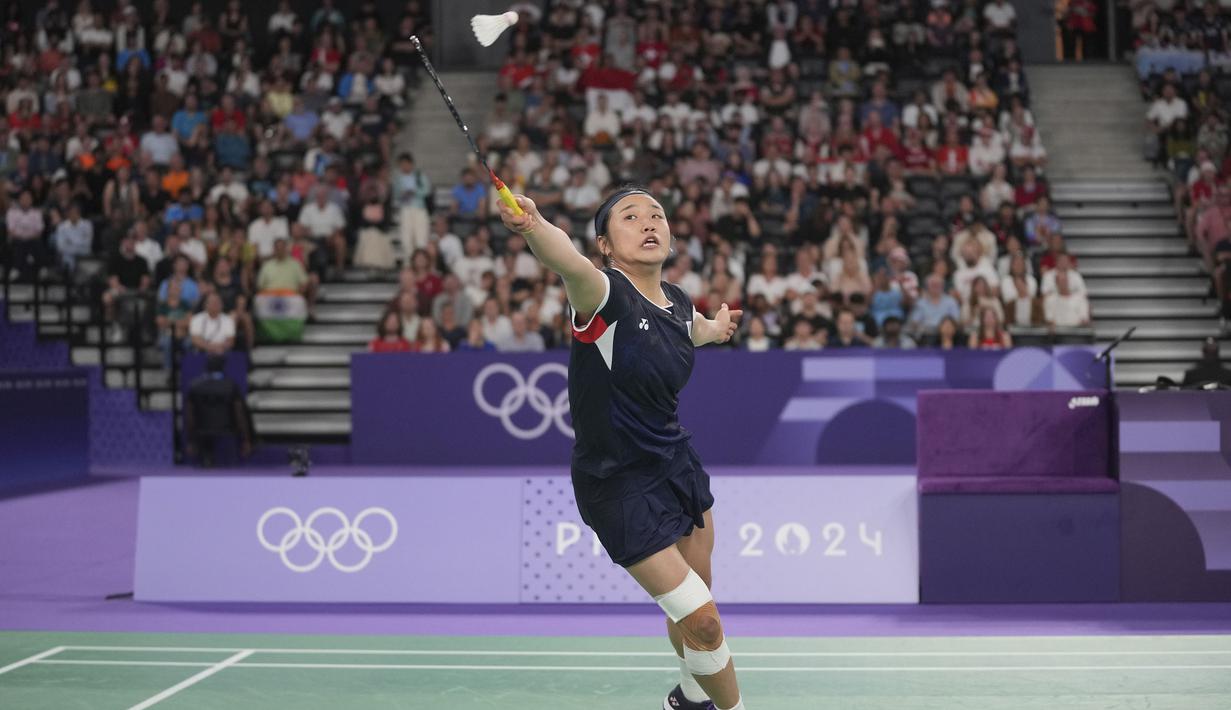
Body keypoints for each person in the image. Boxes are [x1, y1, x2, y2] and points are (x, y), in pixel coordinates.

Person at [499, 187, 747, 710]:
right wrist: (533, 227)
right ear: (606, 245)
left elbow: (691, 330)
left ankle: (689, 699)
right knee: (702, 619)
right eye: (630, 218)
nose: (649, 222)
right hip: (617, 482)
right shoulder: (603, 294)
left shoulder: (677, 299)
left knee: (697, 605)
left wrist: (717, 329)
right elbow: (565, 258)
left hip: (674, 463)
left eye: (657, 214)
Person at [184, 354, 252, 467]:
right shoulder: (232, 386)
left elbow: (190, 417)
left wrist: (191, 440)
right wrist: (246, 440)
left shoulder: (194, 386)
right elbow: (239, 415)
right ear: (223, 367)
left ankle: (207, 462)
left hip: (202, 430)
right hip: (228, 429)